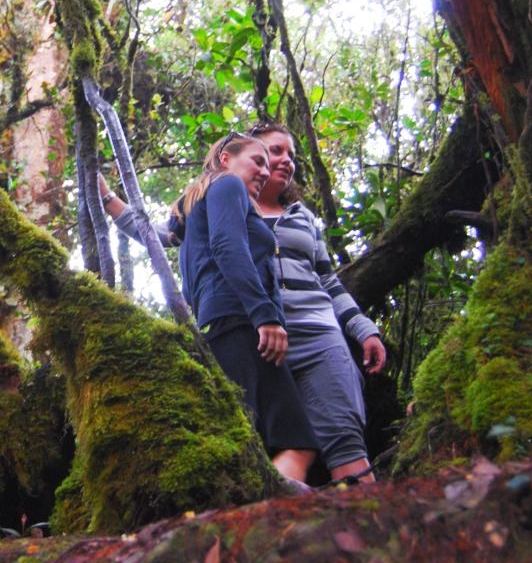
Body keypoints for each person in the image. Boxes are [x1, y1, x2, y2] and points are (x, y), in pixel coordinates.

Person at [101, 121, 386, 486]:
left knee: (338, 438)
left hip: (314, 335)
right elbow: (158, 237)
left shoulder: (302, 217)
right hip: (254, 328)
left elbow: (328, 280)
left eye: (289, 155)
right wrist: (109, 201)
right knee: (274, 439)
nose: (280, 162)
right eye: (270, 153)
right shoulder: (218, 199)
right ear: (231, 157)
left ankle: (364, 525)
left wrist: (363, 329)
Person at [171, 131, 319, 482]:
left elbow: (192, 287)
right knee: (292, 441)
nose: (265, 172)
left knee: (257, 437)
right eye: (258, 160)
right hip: (242, 325)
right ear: (226, 159)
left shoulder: (198, 209)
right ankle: (258, 519)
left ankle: (260, 517)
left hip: (223, 325)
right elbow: (227, 247)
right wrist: (265, 316)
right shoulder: (226, 185)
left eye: (268, 167)